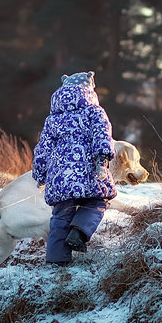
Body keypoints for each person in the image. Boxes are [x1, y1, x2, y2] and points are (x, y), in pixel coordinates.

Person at [32, 71, 117, 264]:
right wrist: (102, 161)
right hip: (89, 173)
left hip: (59, 179)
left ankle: (56, 261)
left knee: (61, 216)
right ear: (89, 90)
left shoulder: (52, 119)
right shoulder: (94, 112)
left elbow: (42, 150)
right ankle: (79, 232)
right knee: (98, 201)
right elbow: (103, 137)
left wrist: (40, 175)